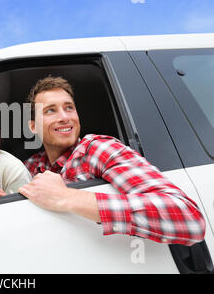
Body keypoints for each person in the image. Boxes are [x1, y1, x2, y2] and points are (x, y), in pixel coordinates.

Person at [18, 76, 206, 246]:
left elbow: (190, 219)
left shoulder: (97, 149)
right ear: (33, 127)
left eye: (69, 108)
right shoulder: (32, 165)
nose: (65, 117)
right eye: (51, 111)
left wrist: (67, 197)